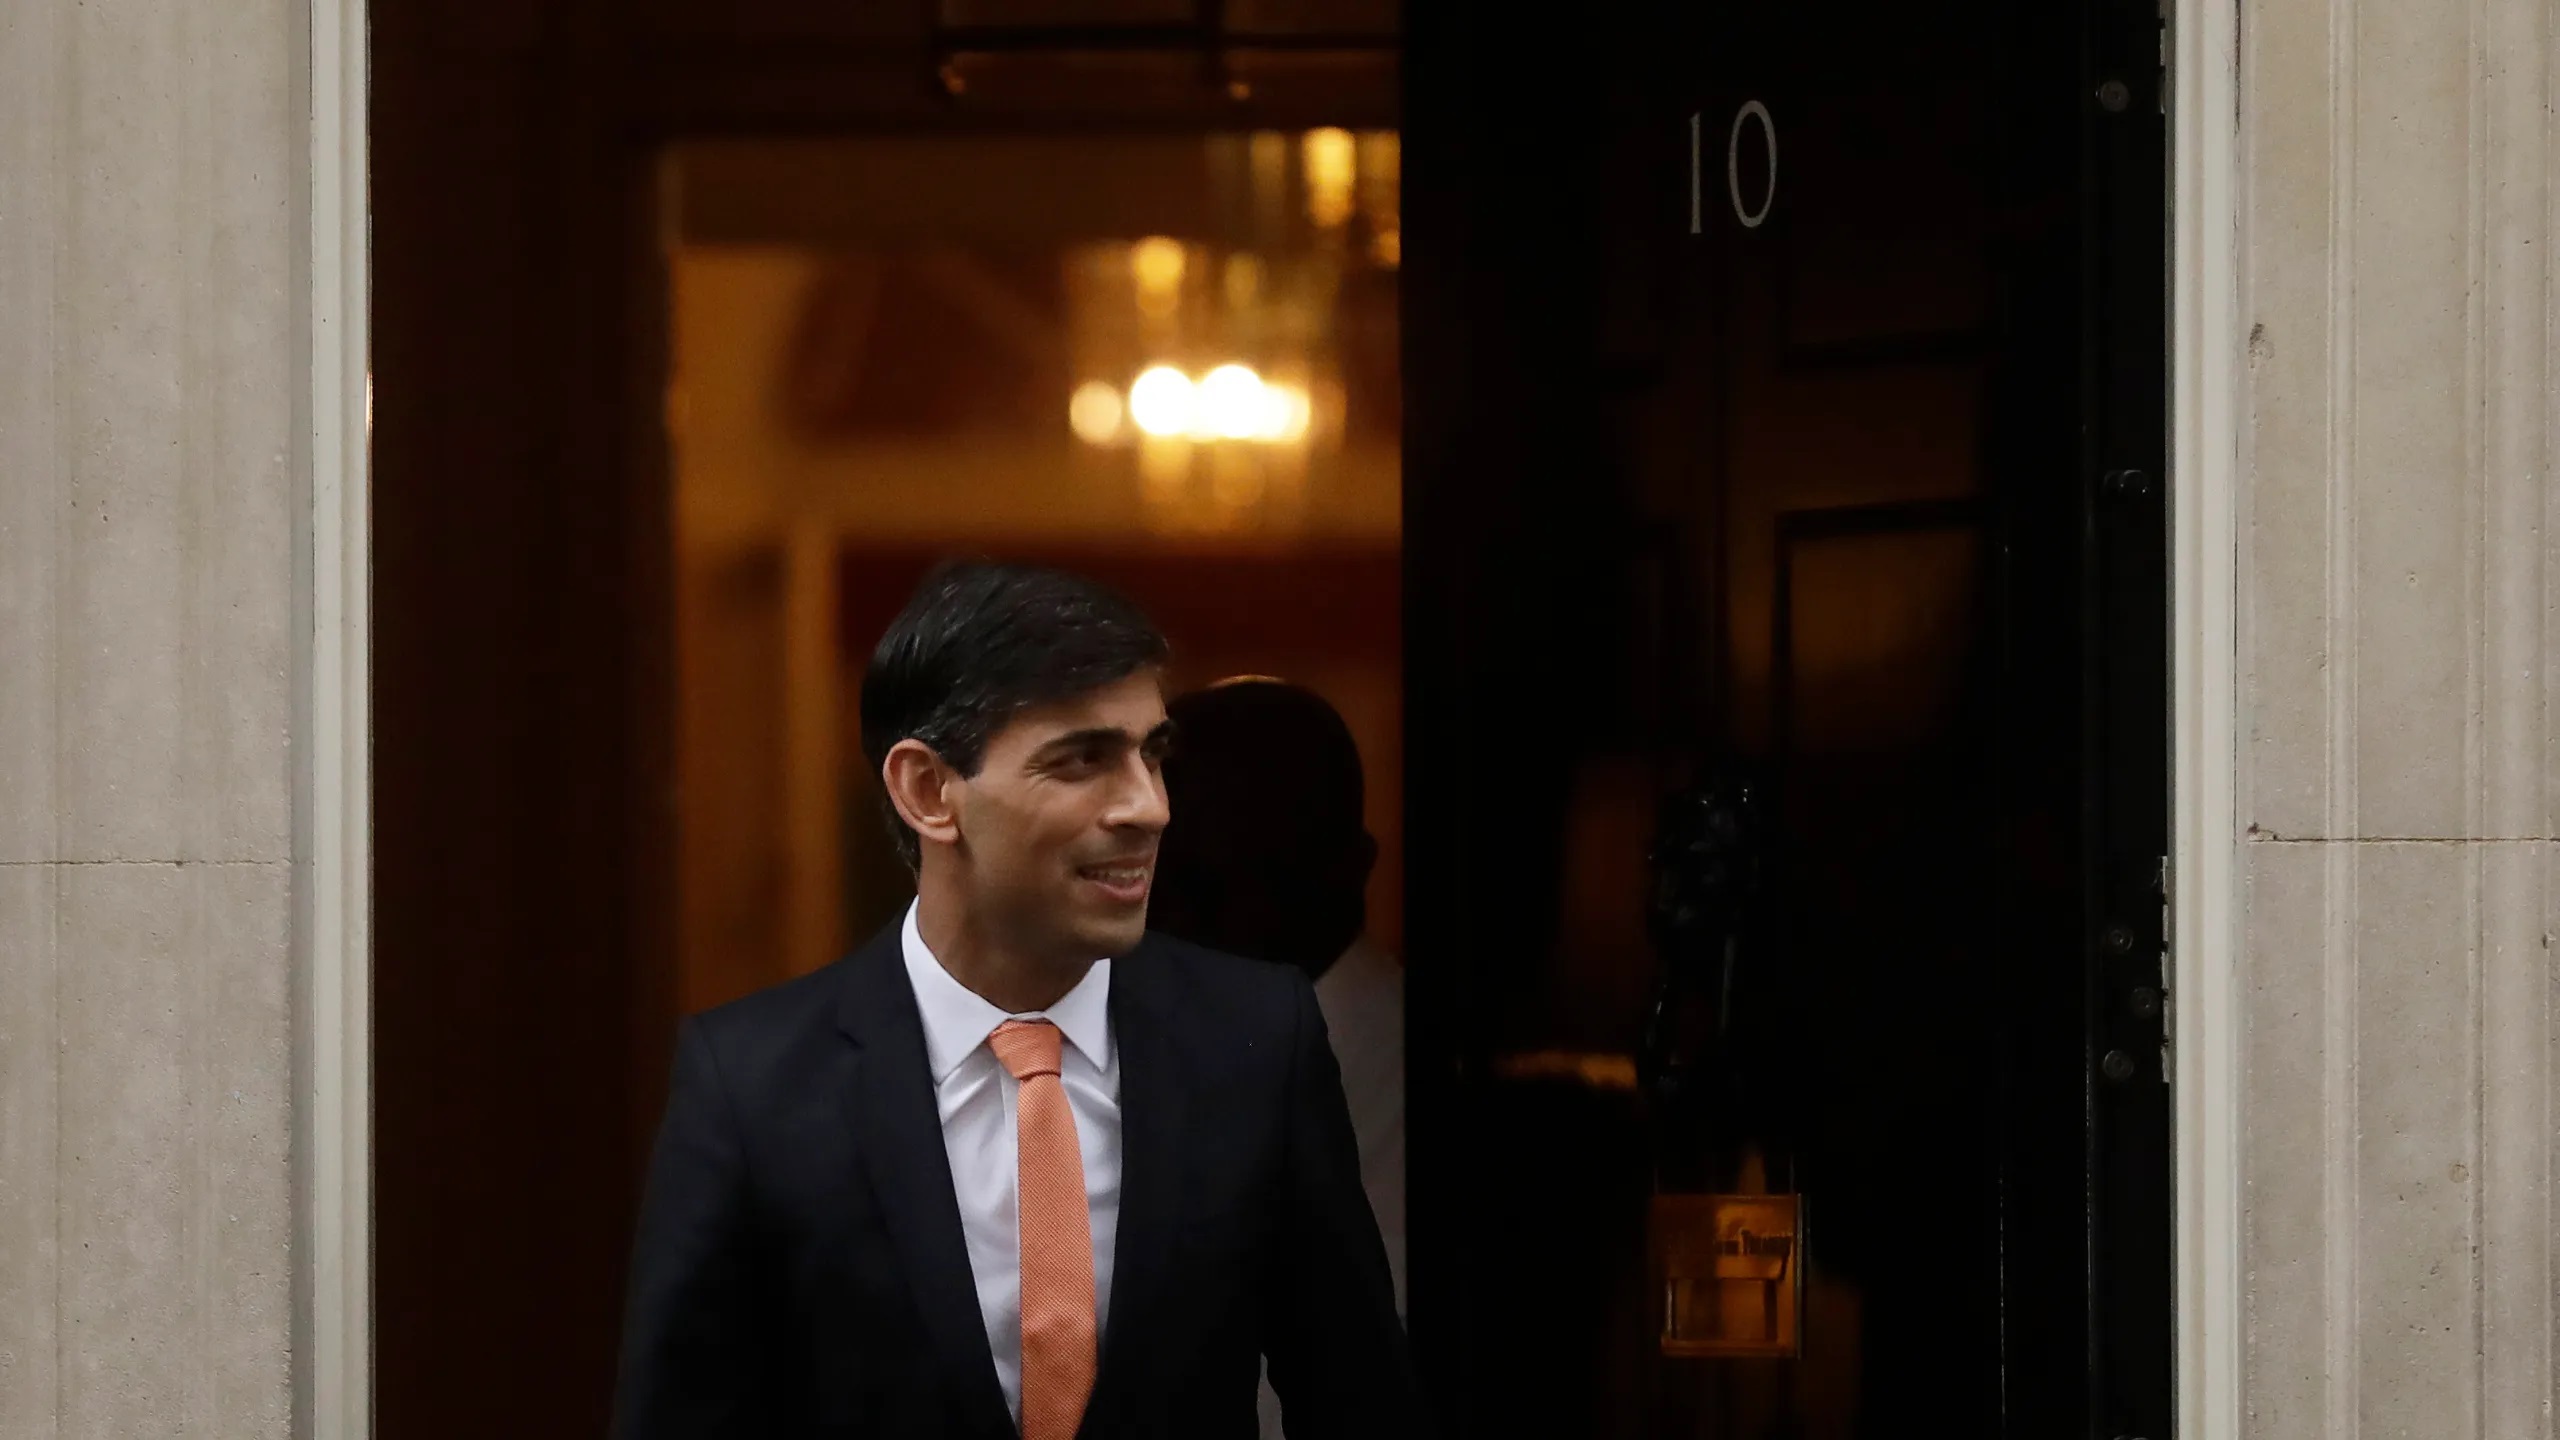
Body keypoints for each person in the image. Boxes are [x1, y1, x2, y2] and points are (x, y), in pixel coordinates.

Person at [612, 560, 1422, 1440]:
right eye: (1082, 760)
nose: (1150, 808)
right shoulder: (753, 1084)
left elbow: (1359, 1403)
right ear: (928, 791)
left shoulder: (1257, 1041)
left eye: (1152, 755)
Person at [1147, 678, 1406, 1440]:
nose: (1165, 918)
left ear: (1346, 868)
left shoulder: (1404, 1082)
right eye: (1150, 872)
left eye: (1208, 879)